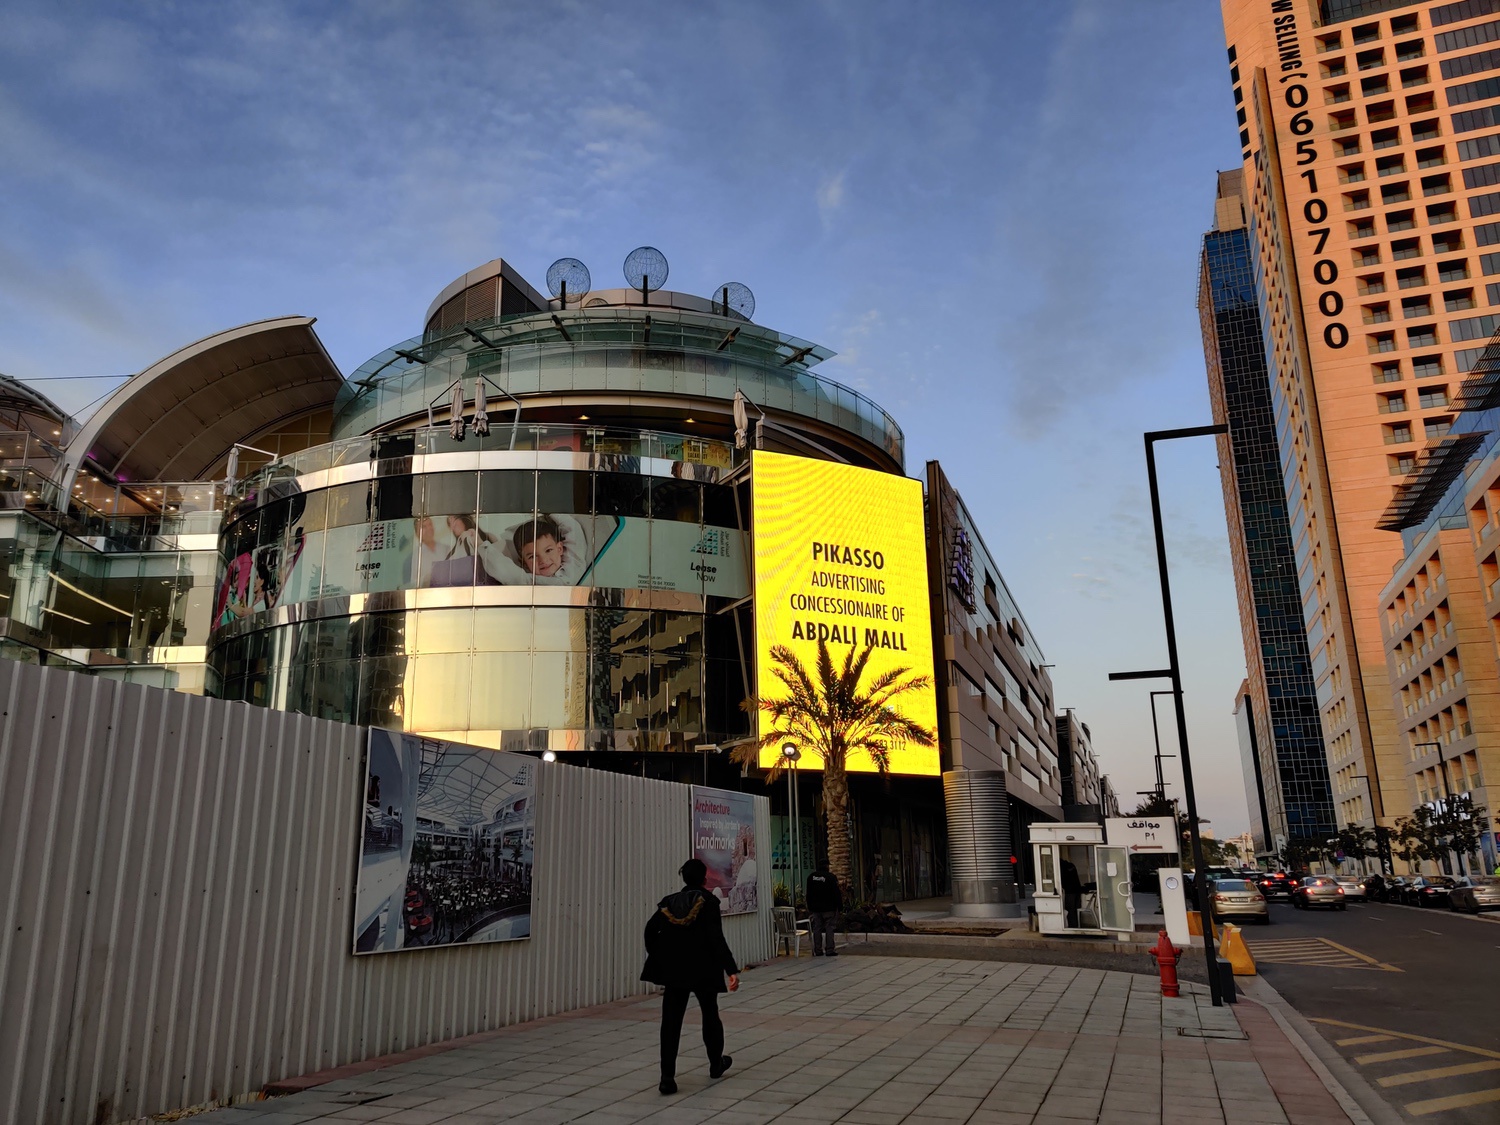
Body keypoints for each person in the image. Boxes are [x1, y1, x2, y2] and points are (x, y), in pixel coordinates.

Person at [641, 858, 740, 1096]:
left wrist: (658, 955)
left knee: (671, 1023)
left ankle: (667, 1078)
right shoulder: (709, 902)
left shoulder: (669, 903)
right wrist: (731, 970)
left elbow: (649, 929)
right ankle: (716, 1063)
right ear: (704, 879)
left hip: (675, 971)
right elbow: (716, 938)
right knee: (710, 1015)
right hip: (703, 969)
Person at [805, 867, 842, 957]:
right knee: (829, 928)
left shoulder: (811, 877)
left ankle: (818, 950)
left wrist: (809, 907)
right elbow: (836, 893)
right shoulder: (831, 877)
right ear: (827, 866)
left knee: (817, 928)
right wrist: (840, 907)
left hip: (816, 909)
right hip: (829, 908)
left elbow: (808, 893)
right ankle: (829, 950)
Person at [1061, 858, 1082, 928]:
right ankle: (1076, 924)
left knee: (1070, 909)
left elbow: (1062, 880)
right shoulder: (1071, 865)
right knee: (1075, 908)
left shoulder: (1061, 867)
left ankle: (1072, 925)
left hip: (1069, 891)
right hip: (1077, 889)